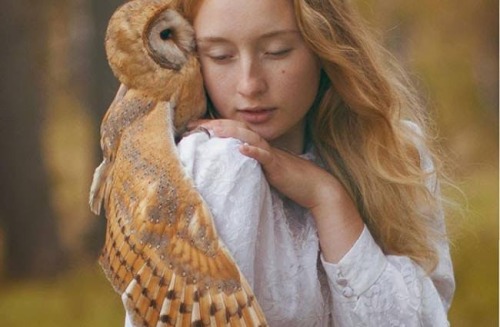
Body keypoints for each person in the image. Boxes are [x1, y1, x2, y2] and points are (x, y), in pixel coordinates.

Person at [125, 0, 455, 325]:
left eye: (277, 51)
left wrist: (327, 197)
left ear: (324, 45)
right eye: (220, 56)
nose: (249, 85)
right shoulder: (206, 167)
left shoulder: (391, 152)